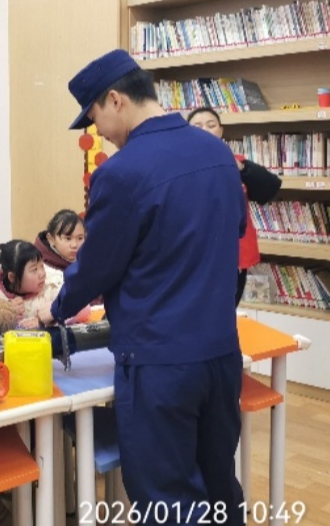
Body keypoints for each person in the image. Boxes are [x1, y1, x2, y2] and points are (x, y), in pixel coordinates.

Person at [38, 49, 246, 524]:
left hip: (160, 362)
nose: (100, 133)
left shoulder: (121, 173)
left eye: (95, 119)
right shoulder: (216, 152)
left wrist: (56, 307)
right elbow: (235, 228)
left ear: (115, 100)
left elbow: (97, 266)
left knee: (167, 500)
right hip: (221, 355)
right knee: (219, 485)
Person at [187, 107, 283, 306]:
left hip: (233, 254)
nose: (205, 130)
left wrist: (239, 168)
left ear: (221, 131)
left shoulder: (236, 163)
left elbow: (270, 187)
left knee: (227, 309)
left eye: (211, 125)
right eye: (197, 126)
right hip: (195, 254)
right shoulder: (179, 166)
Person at [0, 239, 90, 329]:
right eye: (34, 270)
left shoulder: (52, 285)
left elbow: (84, 307)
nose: (42, 274)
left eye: (42, 266)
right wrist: (7, 313)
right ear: (12, 277)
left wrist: (50, 316)